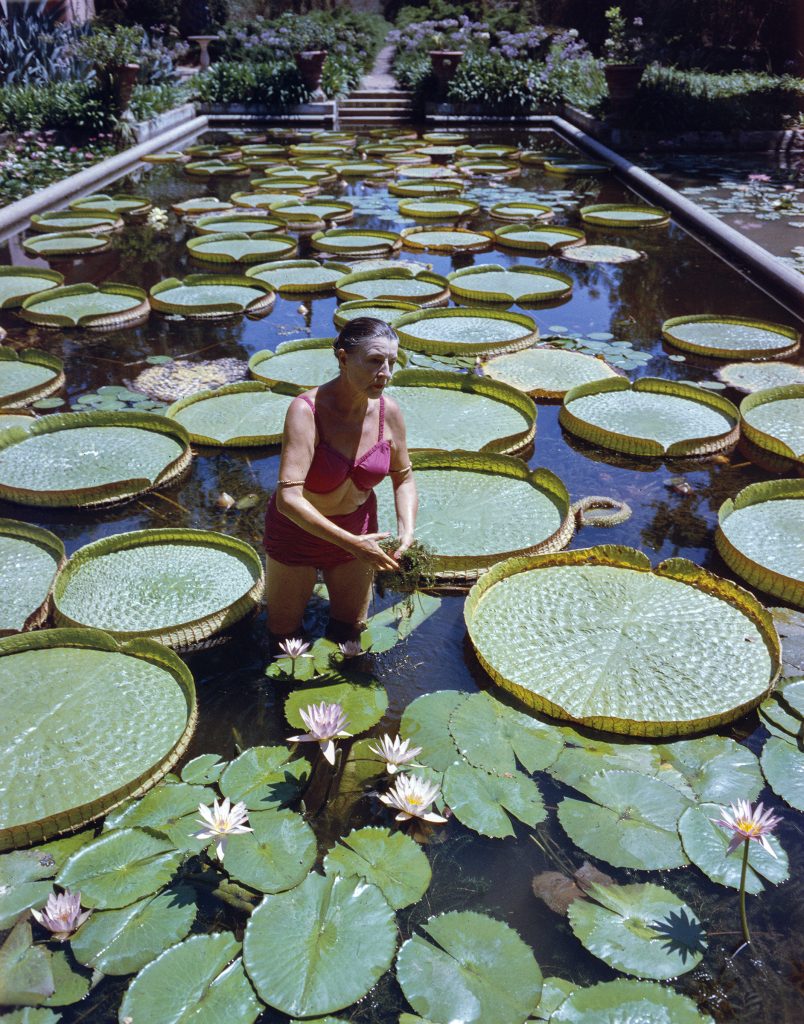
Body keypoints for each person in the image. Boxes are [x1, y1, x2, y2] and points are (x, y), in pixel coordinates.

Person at [263, 317, 417, 647]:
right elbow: (288, 498)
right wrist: (351, 543)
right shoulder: (306, 411)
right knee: (284, 636)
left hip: (359, 529)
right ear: (344, 358)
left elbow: (403, 476)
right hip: (297, 533)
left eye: (392, 363)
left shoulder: (389, 412)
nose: (386, 373)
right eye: (375, 361)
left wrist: (407, 529)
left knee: (350, 632)